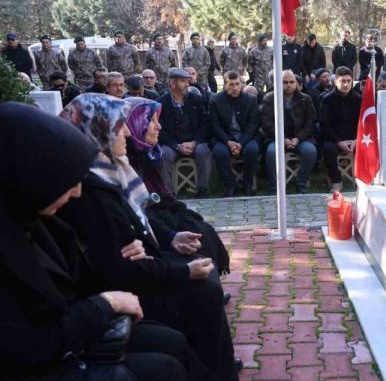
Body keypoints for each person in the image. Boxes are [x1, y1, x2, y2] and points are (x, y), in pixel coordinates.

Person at [0, 102, 213, 381]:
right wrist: (107, 303)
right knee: (167, 363)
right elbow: (30, 348)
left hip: (79, 326)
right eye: (66, 179)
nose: (76, 191)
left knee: (172, 342)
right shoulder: (80, 199)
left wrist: (141, 245)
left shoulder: (34, 217)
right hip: (50, 358)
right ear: (31, 176)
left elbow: (81, 272)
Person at [57, 94, 236, 381]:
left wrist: (171, 237)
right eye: (119, 126)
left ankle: (217, 365)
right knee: (203, 292)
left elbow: (141, 217)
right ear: (97, 131)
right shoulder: (91, 191)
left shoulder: (113, 169)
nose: (127, 131)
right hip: (123, 290)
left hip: (141, 266)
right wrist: (183, 272)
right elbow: (121, 265)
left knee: (203, 261)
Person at [124, 97, 230, 275]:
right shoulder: (127, 160)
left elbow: (162, 194)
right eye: (152, 121)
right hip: (145, 221)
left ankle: (210, 278)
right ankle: (202, 280)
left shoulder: (145, 153)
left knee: (200, 227)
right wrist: (170, 233)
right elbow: (136, 208)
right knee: (190, 232)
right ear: (136, 124)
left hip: (158, 210)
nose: (159, 126)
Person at [157, 68, 212, 198]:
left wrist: (194, 142)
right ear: (172, 83)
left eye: (187, 81)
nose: (187, 84)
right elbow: (160, 131)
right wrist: (177, 146)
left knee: (203, 151)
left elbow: (204, 123)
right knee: (164, 154)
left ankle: (203, 190)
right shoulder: (161, 103)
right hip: (172, 144)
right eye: (183, 81)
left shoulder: (196, 99)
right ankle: (169, 194)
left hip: (194, 141)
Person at [261, 70, 317, 193]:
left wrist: (298, 138)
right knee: (271, 152)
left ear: (296, 83)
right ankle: (275, 186)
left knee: (311, 151)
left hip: (300, 139)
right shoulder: (270, 98)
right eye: (285, 82)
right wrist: (283, 139)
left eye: (292, 82)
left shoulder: (305, 99)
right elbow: (267, 124)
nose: (289, 85)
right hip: (276, 138)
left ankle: (301, 183)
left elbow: (310, 123)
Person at [210, 71, 260, 197]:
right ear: (225, 85)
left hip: (246, 138)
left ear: (241, 85)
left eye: (237, 84)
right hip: (224, 139)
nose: (234, 88)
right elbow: (215, 125)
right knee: (219, 152)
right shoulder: (216, 100)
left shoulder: (250, 100)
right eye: (231, 84)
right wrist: (228, 142)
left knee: (253, 150)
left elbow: (252, 125)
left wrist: (241, 143)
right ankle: (229, 184)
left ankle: (248, 183)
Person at [319, 66, 361, 192]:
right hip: (334, 138)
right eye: (343, 81)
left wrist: (355, 140)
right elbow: (324, 124)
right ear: (335, 81)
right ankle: (336, 181)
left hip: (354, 138)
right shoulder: (326, 99)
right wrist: (338, 141)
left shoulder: (359, 99)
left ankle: (363, 179)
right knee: (328, 149)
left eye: (349, 81)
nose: (346, 84)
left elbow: (362, 123)